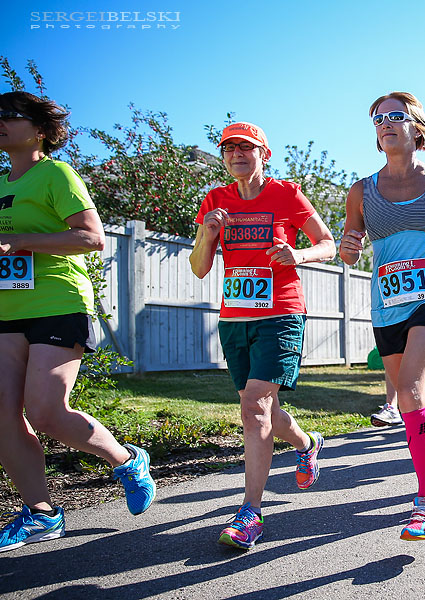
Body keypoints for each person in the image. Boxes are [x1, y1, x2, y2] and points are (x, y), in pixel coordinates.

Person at [0, 92, 156, 553]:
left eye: (9, 115)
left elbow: (91, 237)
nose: (0, 122)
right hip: (6, 308)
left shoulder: (56, 174)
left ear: (40, 130)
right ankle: (41, 513)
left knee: (46, 411)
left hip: (56, 302)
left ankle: (127, 459)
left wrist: (19, 240)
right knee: (2, 416)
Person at [190, 121, 336, 549]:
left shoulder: (287, 194)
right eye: (229, 148)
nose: (237, 154)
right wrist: (207, 234)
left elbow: (327, 244)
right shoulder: (215, 200)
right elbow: (199, 267)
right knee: (261, 409)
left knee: (255, 406)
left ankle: (250, 512)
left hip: (281, 314)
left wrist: (298, 254)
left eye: (246, 147)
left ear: (264, 154)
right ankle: (307, 443)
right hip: (235, 318)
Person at [340, 92, 425, 540]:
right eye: (378, 119)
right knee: (413, 399)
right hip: (388, 302)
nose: (385, 123)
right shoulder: (360, 190)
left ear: (417, 127)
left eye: (395, 116)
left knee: (411, 390)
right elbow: (350, 244)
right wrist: (348, 247)